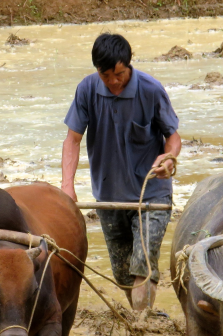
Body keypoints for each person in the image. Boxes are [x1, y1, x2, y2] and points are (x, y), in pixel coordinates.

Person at [61, 33, 181, 310]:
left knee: (142, 265)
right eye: (106, 76)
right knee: (123, 273)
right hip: (108, 197)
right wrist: (67, 184)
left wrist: (169, 157)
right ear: (97, 71)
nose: (114, 82)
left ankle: (142, 327)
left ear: (129, 65)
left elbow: (173, 137)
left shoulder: (150, 90)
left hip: (151, 195)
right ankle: (144, 318)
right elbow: (73, 139)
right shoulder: (87, 90)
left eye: (120, 74)